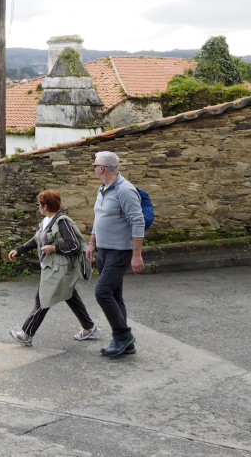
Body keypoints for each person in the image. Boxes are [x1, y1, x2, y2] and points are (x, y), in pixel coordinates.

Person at [7, 189, 99, 347]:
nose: (38, 206)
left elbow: (75, 245)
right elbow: (36, 240)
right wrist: (19, 250)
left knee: (43, 299)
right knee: (70, 296)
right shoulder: (45, 222)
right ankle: (89, 327)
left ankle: (26, 334)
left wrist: (54, 248)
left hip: (59, 269)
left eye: (39, 204)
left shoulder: (62, 221)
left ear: (45, 206)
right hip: (51, 267)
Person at [86, 151, 145, 357]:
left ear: (101, 168)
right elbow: (98, 217)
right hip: (105, 249)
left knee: (102, 292)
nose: (93, 168)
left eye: (94, 165)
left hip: (120, 252)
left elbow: (138, 221)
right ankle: (126, 344)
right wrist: (92, 242)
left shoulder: (125, 190)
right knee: (115, 295)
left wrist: (136, 254)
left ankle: (122, 335)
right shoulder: (102, 189)